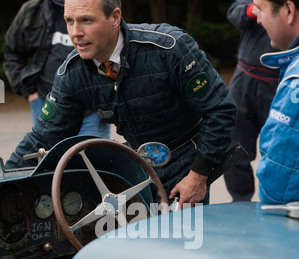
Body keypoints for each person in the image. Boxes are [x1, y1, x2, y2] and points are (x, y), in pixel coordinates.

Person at [5, 0, 237, 206]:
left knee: (184, 249)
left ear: (115, 17)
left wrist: (199, 175)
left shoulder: (170, 48)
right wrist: (4, 178)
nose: (75, 32)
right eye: (69, 21)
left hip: (187, 164)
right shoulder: (72, 73)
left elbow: (220, 109)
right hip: (134, 169)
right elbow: (43, 137)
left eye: (86, 20)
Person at [4, 0, 110, 138]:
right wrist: (29, 92)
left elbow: (113, 48)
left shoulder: (97, 4)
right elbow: (12, 53)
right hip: (46, 103)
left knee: (93, 157)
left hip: (92, 109)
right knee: (50, 157)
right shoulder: (33, 11)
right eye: (69, 21)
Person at [224, 0, 279, 201]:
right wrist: (254, 9)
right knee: (233, 147)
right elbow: (233, 13)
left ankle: (274, 204)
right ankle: (240, 202)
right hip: (244, 75)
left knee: (277, 150)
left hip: (279, 79)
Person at [254, 0, 299, 204]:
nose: (257, 17)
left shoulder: (296, 82)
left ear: (289, 11)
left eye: (260, 8)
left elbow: (277, 189)